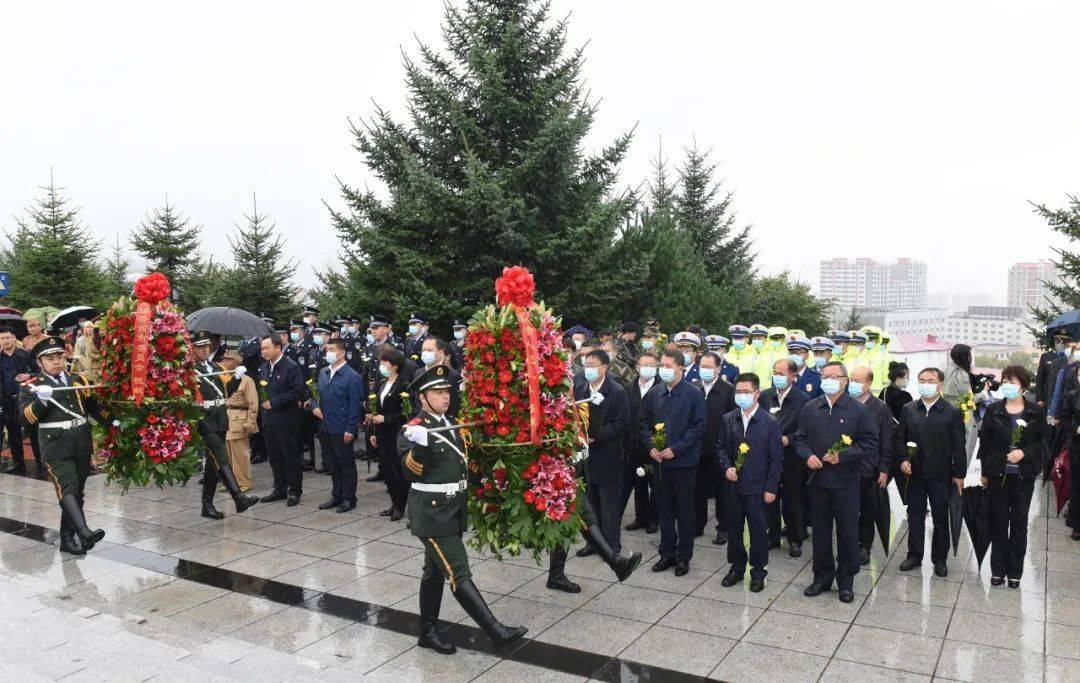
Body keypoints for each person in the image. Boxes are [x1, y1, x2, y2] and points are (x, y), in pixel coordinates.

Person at [398, 365, 527, 654]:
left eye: (446, 391)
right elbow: (411, 474)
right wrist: (418, 446)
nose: (445, 397)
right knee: (458, 571)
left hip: (452, 509)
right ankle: (495, 631)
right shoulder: (414, 429)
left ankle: (427, 632)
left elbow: (462, 465)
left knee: (434, 571)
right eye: (437, 392)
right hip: (431, 514)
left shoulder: (452, 423)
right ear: (423, 397)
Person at [18, 337, 112, 554]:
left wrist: (112, 422)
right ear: (40, 362)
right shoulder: (32, 386)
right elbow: (24, 420)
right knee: (67, 487)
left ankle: (67, 540)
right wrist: (40, 401)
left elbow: (93, 408)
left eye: (59, 357)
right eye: (50, 359)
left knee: (76, 492)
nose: (56, 362)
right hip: (55, 445)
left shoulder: (78, 379)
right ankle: (84, 532)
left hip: (80, 442)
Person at [795, 361, 877, 603]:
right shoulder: (811, 407)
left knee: (847, 534)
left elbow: (870, 443)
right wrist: (807, 455)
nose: (829, 379)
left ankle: (846, 582)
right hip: (817, 482)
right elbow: (800, 438)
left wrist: (842, 456)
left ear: (844, 380)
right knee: (820, 533)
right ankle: (821, 577)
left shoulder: (858, 410)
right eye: (825, 375)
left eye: (834, 376)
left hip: (846, 483)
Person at [979, 366, 1049, 586]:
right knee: (998, 522)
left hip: (1023, 477)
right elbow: (986, 444)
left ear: (1024, 386)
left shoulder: (1034, 413)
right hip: (998, 475)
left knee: (1019, 524)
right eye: (1006, 381)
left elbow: (1044, 443)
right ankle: (997, 570)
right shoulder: (994, 410)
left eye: (1013, 381)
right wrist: (984, 472)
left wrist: (1023, 453)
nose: (1008, 385)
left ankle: (1015, 572)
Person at [640, 349, 706, 576]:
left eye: (668, 366)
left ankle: (683, 556)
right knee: (664, 510)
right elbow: (644, 424)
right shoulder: (655, 393)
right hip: (659, 464)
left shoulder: (694, 394)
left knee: (685, 512)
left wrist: (676, 449)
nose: (664, 369)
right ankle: (666, 553)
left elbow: (698, 427)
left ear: (680, 367)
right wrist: (651, 447)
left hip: (683, 463)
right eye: (662, 365)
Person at [895, 368, 966, 577]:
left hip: (940, 475)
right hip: (915, 474)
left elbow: (959, 446)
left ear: (940, 384)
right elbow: (900, 438)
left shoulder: (951, 412)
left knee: (940, 518)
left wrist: (959, 474)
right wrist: (902, 460)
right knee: (915, 515)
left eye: (930, 380)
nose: (926, 384)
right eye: (922, 380)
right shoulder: (909, 409)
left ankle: (940, 559)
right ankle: (914, 555)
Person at [717, 373, 783, 592]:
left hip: (758, 488)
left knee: (757, 531)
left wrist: (771, 488)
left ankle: (758, 571)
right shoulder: (729, 419)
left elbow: (776, 458)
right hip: (734, 487)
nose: (741, 395)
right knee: (734, 529)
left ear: (756, 393)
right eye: (738, 391)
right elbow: (720, 448)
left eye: (746, 392)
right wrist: (727, 467)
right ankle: (736, 567)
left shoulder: (769, 422)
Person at [191, 332, 259, 519]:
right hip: (204, 419)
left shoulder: (214, 367)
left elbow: (226, 391)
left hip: (220, 417)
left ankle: (207, 506)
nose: (205, 350)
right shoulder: (190, 369)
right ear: (193, 349)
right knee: (221, 456)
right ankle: (239, 498)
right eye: (200, 347)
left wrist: (236, 378)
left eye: (207, 346)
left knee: (214, 464)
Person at [573, 349, 631, 556]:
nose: (588, 368)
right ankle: (593, 542)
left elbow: (623, 423)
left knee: (609, 505)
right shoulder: (579, 388)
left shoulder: (616, 391)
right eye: (586, 364)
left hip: (608, 455)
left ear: (604, 368)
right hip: (585, 456)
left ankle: (612, 545)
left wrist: (598, 435)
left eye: (593, 364)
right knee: (591, 501)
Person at [759, 358, 810, 557]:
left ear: (792, 375)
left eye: (781, 373)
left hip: (792, 457)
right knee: (769, 496)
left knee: (793, 499)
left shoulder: (803, 399)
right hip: (768, 457)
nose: (777, 376)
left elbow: (805, 430)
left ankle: (795, 539)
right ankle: (772, 535)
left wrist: (788, 439)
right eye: (775, 372)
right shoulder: (765, 396)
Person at [312, 338, 364, 513]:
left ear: (342, 352)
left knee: (346, 463)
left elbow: (355, 405)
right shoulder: (323, 372)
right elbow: (315, 394)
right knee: (332, 463)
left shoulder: (352, 376)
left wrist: (351, 428)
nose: (329, 353)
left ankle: (349, 498)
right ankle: (337, 495)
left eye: (332, 350)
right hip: (325, 425)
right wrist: (315, 406)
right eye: (327, 350)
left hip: (342, 427)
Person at [848, 366, 894, 565]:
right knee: (848, 508)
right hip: (846, 466)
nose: (853, 383)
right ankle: (848, 543)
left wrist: (884, 468)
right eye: (851, 379)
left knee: (867, 509)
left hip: (869, 467)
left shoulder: (880, 408)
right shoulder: (845, 403)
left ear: (868, 384)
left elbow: (887, 440)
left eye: (858, 380)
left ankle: (864, 545)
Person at [257, 334, 306, 506]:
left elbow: (297, 390)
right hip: (269, 419)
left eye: (267, 348)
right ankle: (279, 488)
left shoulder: (291, 367)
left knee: (290, 455)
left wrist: (275, 402)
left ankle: (294, 490)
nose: (263, 351)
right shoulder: (263, 368)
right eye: (262, 348)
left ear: (278, 347)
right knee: (274, 455)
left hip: (287, 418)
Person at [692, 352, 736, 544]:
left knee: (722, 491)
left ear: (718, 369)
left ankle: (723, 527)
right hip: (697, 448)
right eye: (703, 365)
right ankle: (697, 523)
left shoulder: (728, 390)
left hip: (719, 449)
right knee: (698, 489)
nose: (705, 370)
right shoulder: (694, 388)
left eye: (710, 366)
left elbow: (734, 421)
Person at [371, 347, 411, 520]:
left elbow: (406, 413)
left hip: (396, 433)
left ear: (394, 366)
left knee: (397, 471)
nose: (381, 366)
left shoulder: (404, 385)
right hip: (381, 433)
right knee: (386, 470)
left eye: (384, 363)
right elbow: (376, 410)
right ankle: (393, 503)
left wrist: (386, 419)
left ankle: (400, 506)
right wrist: (373, 432)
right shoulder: (381, 383)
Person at [623, 353, 659, 534]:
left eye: (652, 364)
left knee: (656, 484)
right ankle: (641, 517)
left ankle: (654, 519)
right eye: (644, 364)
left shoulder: (661, 387)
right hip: (634, 444)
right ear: (637, 367)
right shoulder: (629, 387)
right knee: (639, 483)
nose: (648, 368)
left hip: (655, 445)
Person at [220, 350, 258, 493]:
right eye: (224, 359)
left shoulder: (246, 380)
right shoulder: (222, 377)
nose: (224, 362)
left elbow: (253, 403)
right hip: (224, 419)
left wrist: (251, 422)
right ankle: (230, 482)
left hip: (239, 419)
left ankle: (243, 483)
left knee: (240, 455)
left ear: (237, 362)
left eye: (228, 359)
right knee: (226, 455)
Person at [1, 326, 33, 475]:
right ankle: (16, 464)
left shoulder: (25, 355)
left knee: (23, 433)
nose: (5, 341)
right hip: (4, 400)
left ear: (14, 338)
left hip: (22, 400)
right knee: (8, 433)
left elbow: (38, 371)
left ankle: (27, 463)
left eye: (7, 337)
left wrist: (28, 376)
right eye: (2, 338)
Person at [418, 337, 462, 418]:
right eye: (423, 350)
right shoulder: (418, 373)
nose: (425, 353)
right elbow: (416, 403)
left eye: (429, 350)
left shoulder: (452, 375)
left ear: (441, 353)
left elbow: (454, 405)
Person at [788, 336, 821, 400]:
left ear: (807, 355)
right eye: (792, 353)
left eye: (799, 352)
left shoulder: (817, 377)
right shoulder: (781, 374)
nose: (795, 356)